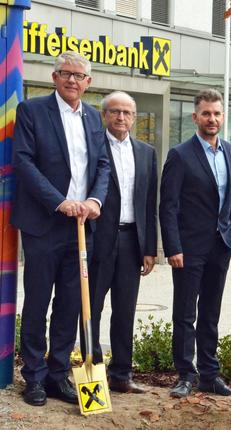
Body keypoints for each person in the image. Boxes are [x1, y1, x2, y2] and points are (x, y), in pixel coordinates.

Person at [11, 50, 110, 406]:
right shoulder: (32, 111)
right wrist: (59, 200)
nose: (72, 80)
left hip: (82, 226)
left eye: (79, 75)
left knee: (71, 304)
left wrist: (95, 201)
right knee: (37, 302)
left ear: (88, 82)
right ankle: (34, 377)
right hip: (43, 223)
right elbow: (22, 161)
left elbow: (102, 166)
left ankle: (58, 376)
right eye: (65, 73)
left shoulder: (94, 118)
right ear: (54, 77)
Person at [159, 89, 231, 398]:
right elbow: (167, 205)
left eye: (217, 113)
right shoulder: (180, 155)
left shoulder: (230, 152)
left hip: (220, 246)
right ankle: (185, 374)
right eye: (206, 113)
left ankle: (210, 374)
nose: (212, 118)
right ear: (196, 117)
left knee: (211, 313)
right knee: (185, 313)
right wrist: (173, 247)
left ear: (223, 116)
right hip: (188, 248)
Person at [87, 91, 157, 394]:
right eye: (115, 111)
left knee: (125, 309)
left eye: (127, 113)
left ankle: (121, 375)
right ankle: (94, 372)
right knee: (91, 308)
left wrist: (150, 248)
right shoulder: (91, 148)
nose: (121, 117)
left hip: (131, 241)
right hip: (98, 239)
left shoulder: (146, 152)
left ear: (134, 117)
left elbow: (149, 203)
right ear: (105, 115)